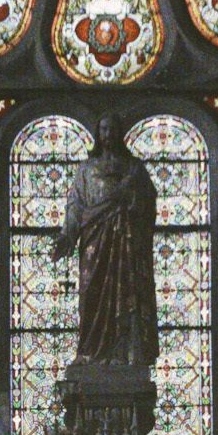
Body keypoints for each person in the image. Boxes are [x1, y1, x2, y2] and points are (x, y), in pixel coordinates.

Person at [52, 114, 158, 367]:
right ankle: (90, 350)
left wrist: (131, 203)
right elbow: (75, 205)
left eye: (112, 129)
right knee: (92, 292)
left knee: (126, 290)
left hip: (126, 241)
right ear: (97, 134)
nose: (107, 134)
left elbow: (148, 203)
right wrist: (67, 234)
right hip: (94, 239)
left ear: (119, 133)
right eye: (103, 130)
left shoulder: (134, 169)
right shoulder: (86, 169)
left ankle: (124, 352)